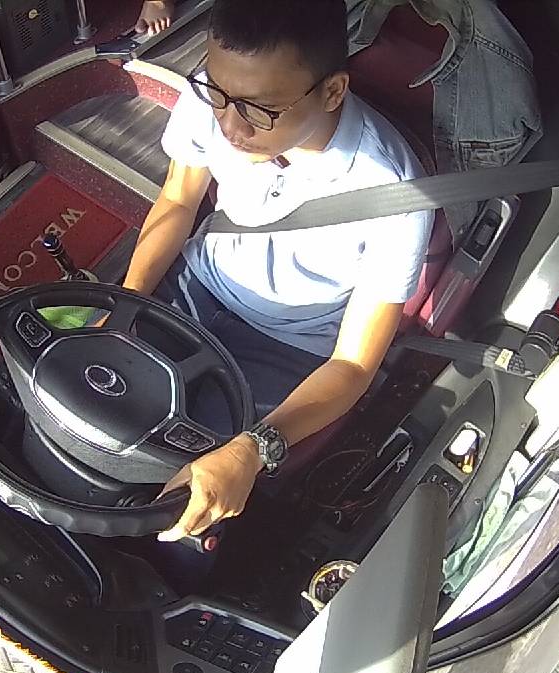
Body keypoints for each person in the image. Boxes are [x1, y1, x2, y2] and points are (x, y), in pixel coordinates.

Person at [117, 0, 434, 546]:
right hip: (197, 283)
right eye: (218, 95)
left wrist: (251, 450)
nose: (230, 127)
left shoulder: (393, 192)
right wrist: (126, 305)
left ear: (332, 91)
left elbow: (354, 364)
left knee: (177, 503)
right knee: (97, 397)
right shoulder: (216, 97)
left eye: (261, 111)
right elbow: (178, 201)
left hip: (288, 347)